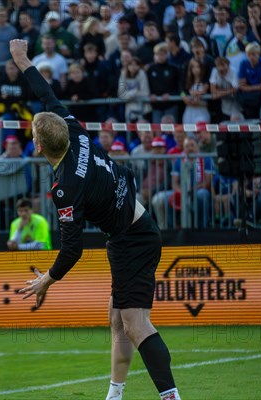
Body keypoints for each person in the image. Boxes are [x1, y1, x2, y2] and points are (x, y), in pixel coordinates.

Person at [10, 39, 181, 400]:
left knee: (135, 324)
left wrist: (47, 281)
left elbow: (72, 249)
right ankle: (114, 394)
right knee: (117, 320)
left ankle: (171, 397)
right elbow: (47, 95)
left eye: (34, 135)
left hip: (133, 238)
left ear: (39, 147)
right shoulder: (73, 131)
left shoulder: (65, 187)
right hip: (132, 231)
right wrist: (23, 60)